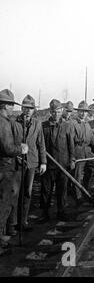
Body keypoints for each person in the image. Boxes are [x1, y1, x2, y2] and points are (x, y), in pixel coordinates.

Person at [7, 95, 46, 234]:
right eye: (25, 108)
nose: (28, 110)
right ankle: (12, 225)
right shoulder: (13, 122)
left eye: (31, 108)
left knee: (27, 193)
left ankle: (23, 221)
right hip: (17, 163)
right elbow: (9, 143)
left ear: (34, 110)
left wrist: (43, 162)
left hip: (32, 162)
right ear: (22, 108)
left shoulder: (37, 123)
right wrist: (15, 155)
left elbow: (41, 144)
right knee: (14, 193)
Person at [0, 89, 28, 255]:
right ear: (5, 106)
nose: (12, 109)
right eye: (11, 105)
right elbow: (8, 148)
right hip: (5, 168)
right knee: (3, 205)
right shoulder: (3, 123)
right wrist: (21, 149)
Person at [40, 99, 75, 222]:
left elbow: (71, 145)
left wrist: (72, 160)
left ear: (62, 111)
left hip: (63, 164)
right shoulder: (43, 126)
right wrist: (42, 162)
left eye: (59, 111)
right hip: (49, 165)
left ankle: (61, 212)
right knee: (46, 191)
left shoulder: (67, 126)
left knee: (62, 190)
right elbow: (40, 145)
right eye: (54, 112)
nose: (57, 114)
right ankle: (45, 214)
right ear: (50, 112)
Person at [71, 101, 94, 207]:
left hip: (87, 151)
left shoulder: (87, 123)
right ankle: (78, 198)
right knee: (77, 175)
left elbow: (92, 138)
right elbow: (70, 141)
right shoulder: (72, 123)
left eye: (85, 112)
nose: (83, 114)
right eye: (81, 111)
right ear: (78, 111)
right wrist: (72, 157)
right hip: (78, 151)